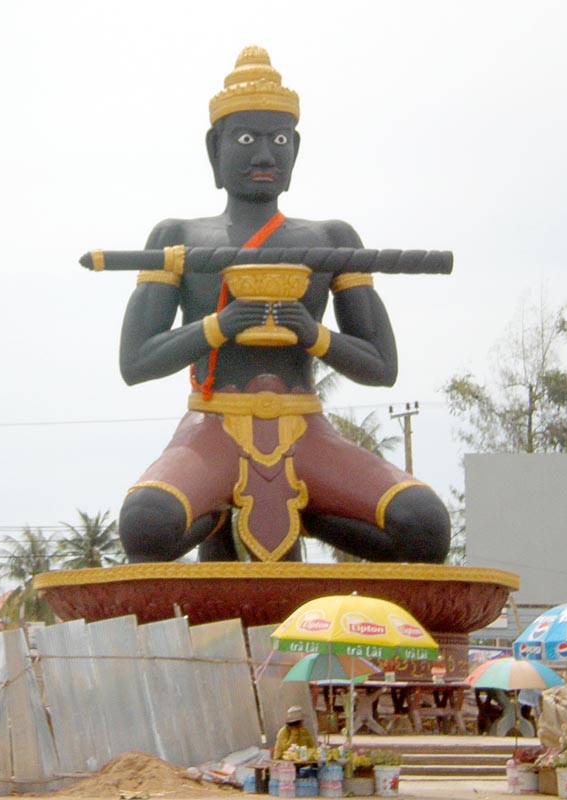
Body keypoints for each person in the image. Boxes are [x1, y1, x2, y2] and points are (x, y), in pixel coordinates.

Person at [117, 46, 450, 563]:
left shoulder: (331, 238)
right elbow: (136, 362)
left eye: (279, 140)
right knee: (147, 525)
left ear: (296, 149)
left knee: (424, 527)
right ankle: (220, 510)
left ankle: (316, 509)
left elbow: (382, 367)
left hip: (306, 430)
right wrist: (220, 326)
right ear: (214, 149)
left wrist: (310, 332)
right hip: (213, 427)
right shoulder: (178, 237)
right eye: (246, 139)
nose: (265, 155)